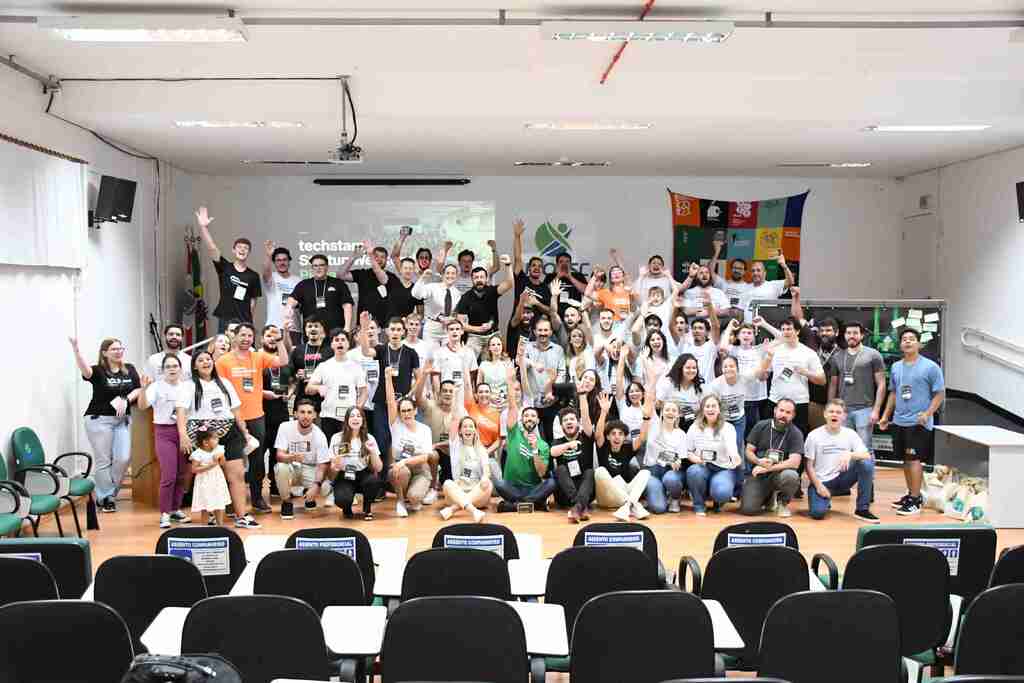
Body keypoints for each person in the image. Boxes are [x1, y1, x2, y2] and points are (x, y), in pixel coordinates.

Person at [215, 323, 289, 515]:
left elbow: (283, 360)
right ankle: (231, 501)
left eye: (250, 335)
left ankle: (257, 498)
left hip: (256, 416)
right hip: (232, 418)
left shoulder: (258, 357)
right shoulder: (223, 361)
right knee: (232, 460)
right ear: (234, 337)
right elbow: (220, 389)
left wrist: (279, 340)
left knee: (257, 461)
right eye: (243, 335)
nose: (246, 338)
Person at [180, 351, 260, 528]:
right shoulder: (188, 386)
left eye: (208, 359)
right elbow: (181, 412)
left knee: (237, 474)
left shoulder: (225, 383)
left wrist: (245, 432)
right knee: (207, 475)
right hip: (202, 435)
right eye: (200, 360)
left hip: (229, 432)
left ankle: (241, 516)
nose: (205, 362)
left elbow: (236, 410)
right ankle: (208, 515)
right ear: (195, 365)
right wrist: (183, 435)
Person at [70, 336, 144, 513]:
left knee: (123, 457)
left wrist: (125, 400)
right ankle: (106, 498)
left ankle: (109, 493)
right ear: (105, 353)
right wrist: (76, 350)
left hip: (122, 420)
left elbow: (138, 388)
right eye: (114, 349)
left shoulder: (129, 369)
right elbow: (86, 371)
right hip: (99, 419)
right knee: (104, 460)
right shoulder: (98, 371)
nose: (119, 352)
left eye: (120, 348)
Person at [879, 328, 946, 516]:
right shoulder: (896, 367)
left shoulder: (931, 367)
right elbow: (893, 392)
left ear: (919, 344)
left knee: (914, 459)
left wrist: (928, 413)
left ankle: (916, 500)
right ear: (900, 344)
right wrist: (886, 416)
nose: (908, 342)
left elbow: (940, 393)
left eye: (912, 339)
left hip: (919, 422)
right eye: (904, 339)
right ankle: (911, 494)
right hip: (899, 421)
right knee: (906, 460)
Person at [137, 353, 191, 528]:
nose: (172, 369)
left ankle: (175, 509)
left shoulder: (188, 387)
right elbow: (142, 406)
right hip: (164, 432)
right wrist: (144, 389)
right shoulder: (156, 387)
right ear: (162, 370)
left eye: (175, 366)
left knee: (183, 474)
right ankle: (165, 513)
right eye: (168, 367)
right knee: (169, 474)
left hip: (185, 432)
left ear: (181, 369)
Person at [494, 362, 557, 511]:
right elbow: (512, 407)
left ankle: (515, 506)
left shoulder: (543, 445)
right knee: (498, 484)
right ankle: (534, 504)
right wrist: (510, 383)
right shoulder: (514, 432)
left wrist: (535, 449)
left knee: (552, 483)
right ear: (521, 420)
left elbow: (541, 472)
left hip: (533, 489)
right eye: (526, 415)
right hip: (512, 487)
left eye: (533, 416)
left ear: (538, 420)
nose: (529, 418)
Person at [805, 398, 878, 523]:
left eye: (838, 412)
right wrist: (818, 486)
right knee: (817, 513)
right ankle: (823, 500)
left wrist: (850, 454)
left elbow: (867, 455)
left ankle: (862, 509)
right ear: (825, 414)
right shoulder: (813, 436)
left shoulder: (850, 434)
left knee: (866, 463)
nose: (834, 415)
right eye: (831, 411)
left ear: (844, 416)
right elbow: (808, 466)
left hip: (843, 479)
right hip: (822, 482)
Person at [195, 206, 262, 330]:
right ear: (233, 250)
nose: (242, 249)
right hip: (225, 319)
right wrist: (203, 227)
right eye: (239, 247)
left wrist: (249, 323)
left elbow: (253, 302)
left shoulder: (253, 276)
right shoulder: (225, 267)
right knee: (224, 348)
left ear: (249, 252)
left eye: (246, 248)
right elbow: (212, 247)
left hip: (244, 321)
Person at [759, 317, 825, 440]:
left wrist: (806, 372)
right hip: (775, 400)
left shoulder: (808, 353)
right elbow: (762, 377)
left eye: (789, 329)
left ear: (797, 331)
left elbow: (822, 380)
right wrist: (767, 358)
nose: (786, 332)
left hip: (799, 402)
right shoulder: (774, 351)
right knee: (770, 438)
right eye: (783, 329)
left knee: (798, 439)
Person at [739, 398, 804, 517]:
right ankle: (768, 497)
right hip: (758, 474)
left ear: (793, 415)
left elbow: (795, 462)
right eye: (781, 410)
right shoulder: (761, 425)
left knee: (791, 476)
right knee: (748, 510)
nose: (783, 415)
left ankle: (782, 503)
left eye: (788, 412)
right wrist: (758, 461)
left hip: (779, 474)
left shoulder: (796, 433)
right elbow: (748, 451)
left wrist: (767, 468)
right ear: (775, 410)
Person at [828, 321, 886, 454]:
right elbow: (833, 384)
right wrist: (831, 407)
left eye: (855, 333)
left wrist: (876, 410)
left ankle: (866, 475)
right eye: (848, 333)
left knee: (864, 449)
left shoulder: (873, 355)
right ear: (844, 335)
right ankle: (849, 475)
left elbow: (881, 384)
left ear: (862, 335)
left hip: (865, 409)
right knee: (844, 448)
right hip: (843, 410)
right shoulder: (837, 357)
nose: (851, 336)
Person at [384, 366, 434, 517]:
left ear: (415, 411)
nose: (406, 414)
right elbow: (391, 402)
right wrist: (387, 378)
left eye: (409, 410)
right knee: (401, 471)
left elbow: (425, 457)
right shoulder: (396, 426)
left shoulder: (425, 429)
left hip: (420, 469)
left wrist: (405, 462)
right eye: (403, 411)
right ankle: (400, 502)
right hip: (400, 469)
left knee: (415, 497)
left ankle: (413, 498)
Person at [373, 317, 422, 472]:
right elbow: (366, 350)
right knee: (382, 440)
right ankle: (382, 479)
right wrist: (366, 325)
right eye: (392, 329)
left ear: (403, 331)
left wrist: (409, 395)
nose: (395, 332)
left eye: (398, 329)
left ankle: (396, 476)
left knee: (399, 440)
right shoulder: (381, 350)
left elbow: (419, 377)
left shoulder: (411, 352)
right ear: (387, 331)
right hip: (382, 402)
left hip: (402, 404)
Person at [594, 391, 652, 520]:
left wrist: (646, 418)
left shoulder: (627, 447)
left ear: (625, 437)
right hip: (606, 497)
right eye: (613, 433)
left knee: (645, 472)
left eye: (620, 434)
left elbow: (642, 438)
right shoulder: (603, 446)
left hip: (623, 493)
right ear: (608, 436)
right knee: (599, 471)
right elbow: (598, 434)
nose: (617, 436)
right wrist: (603, 412)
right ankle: (633, 504)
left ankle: (628, 505)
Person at [305, 328, 368, 446]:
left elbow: (364, 392)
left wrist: (357, 410)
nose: (340, 342)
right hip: (329, 416)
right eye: (337, 340)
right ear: (332, 345)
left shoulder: (356, 367)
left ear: (348, 344)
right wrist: (318, 388)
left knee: (346, 450)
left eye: (343, 340)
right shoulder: (324, 366)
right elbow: (308, 388)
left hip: (348, 418)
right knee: (329, 450)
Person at [719, 317, 780, 438]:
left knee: (754, 433)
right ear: (738, 336)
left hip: (757, 398)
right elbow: (722, 347)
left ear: (753, 336)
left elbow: (781, 338)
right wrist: (730, 327)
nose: (746, 335)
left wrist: (764, 324)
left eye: (749, 333)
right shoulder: (734, 350)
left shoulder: (760, 349)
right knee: (739, 432)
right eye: (743, 332)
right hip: (738, 397)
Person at [684, 394, 742, 516]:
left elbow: (732, 448)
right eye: (707, 406)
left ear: (719, 409)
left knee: (722, 493)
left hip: (723, 468)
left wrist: (735, 457)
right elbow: (688, 451)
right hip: (703, 466)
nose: (710, 409)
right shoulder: (694, 427)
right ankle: (699, 505)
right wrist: (695, 459)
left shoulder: (728, 428)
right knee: (694, 471)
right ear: (703, 409)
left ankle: (718, 501)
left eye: (713, 406)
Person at [273, 398, 331, 520]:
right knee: (280, 468)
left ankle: (308, 495)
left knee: (325, 488)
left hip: (310, 468)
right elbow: (279, 455)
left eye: (309, 412)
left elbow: (323, 465)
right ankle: (287, 502)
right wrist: (292, 457)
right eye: (302, 412)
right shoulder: (284, 427)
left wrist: (316, 486)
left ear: (315, 415)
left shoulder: (320, 435)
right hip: (291, 466)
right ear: (295, 414)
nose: (306, 416)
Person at [641, 367, 688, 514]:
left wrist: (675, 461)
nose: (670, 412)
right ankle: (656, 495)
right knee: (659, 508)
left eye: (673, 410)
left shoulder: (681, 434)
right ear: (662, 412)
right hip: (653, 471)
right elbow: (649, 400)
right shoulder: (654, 425)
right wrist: (653, 380)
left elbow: (679, 460)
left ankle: (674, 497)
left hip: (670, 472)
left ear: (677, 415)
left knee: (671, 479)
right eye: (667, 409)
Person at [711, 240, 794, 322]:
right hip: (748, 329)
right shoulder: (745, 288)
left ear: (765, 273)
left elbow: (790, 282)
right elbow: (741, 311)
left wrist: (784, 265)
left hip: (767, 327)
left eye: (758, 270)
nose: (755, 273)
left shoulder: (773, 285)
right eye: (753, 271)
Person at [329, 406, 384, 520]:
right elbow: (333, 468)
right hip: (345, 474)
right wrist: (338, 458)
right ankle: (347, 508)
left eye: (359, 416)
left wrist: (372, 452)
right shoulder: (337, 438)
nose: (355, 419)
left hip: (363, 473)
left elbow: (379, 468)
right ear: (347, 420)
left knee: (374, 482)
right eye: (352, 416)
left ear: (363, 420)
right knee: (342, 499)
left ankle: (367, 507)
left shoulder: (369, 438)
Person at [439, 415, 493, 522]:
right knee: (447, 483)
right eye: (464, 426)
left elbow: (486, 469)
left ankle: (453, 509)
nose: (468, 429)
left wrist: (485, 477)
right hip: (457, 492)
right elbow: (455, 417)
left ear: (475, 430)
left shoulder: (481, 449)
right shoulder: (455, 447)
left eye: (471, 426)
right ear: (459, 431)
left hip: (477, 494)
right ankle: (474, 511)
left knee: (489, 484)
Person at [521, 317, 566, 441]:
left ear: (551, 332)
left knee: (552, 438)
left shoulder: (558, 350)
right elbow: (520, 360)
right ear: (534, 332)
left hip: (551, 402)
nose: (543, 333)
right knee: (530, 439)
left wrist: (553, 391)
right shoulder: (527, 347)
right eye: (540, 330)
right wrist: (533, 364)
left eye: (546, 330)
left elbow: (562, 373)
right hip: (531, 403)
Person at [456, 261, 514, 357]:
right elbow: (461, 325)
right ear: (472, 280)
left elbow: (509, 284)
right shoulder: (465, 298)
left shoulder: (492, 291)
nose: (479, 280)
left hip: (493, 334)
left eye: (481, 277)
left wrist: (508, 265)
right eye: (476, 277)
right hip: (474, 336)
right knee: (466, 359)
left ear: (486, 279)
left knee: (499, 361)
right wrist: (479, 329)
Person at [261, 326, 293, 500]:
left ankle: (275, 487)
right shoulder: (258, 358)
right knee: (259, 453)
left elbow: (293, 379)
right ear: (262, 339)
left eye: (275, 335)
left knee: (277, 451)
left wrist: (291, 392)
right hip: (261, 413)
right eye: (268, 335)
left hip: (281, 413)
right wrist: (265, 394)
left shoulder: (284, 359)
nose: (272, 338)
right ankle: (257, 489)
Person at [286, 253, 353, 336]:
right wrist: (289, 308)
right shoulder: (303, 284)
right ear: (312, 268)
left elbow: (347, 305)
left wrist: (347, 327)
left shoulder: (338, 283)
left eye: (321, 265)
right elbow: (292, 299)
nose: (318, 268)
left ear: (327, 267)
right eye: (315, 266)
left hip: (335, 333)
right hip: (312, 334)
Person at [338, 240, 401, 328]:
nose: (379, 259)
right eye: (376, 256)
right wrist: (353, 257)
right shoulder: (363, 273)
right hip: (364, 324)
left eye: (382, 257)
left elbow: (380, 275)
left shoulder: (392, 277)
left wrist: (371, 254)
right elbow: (341, 275)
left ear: (387, 260)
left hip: (384, 325)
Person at [551, 405, 596, 523]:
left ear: (578, 423)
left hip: (585, 490)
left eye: (572, 419)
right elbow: (552, 452)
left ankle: (577, 507)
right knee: (560, 469)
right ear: (561, 426)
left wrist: (582, 396)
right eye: (565, 420)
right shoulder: (558, 441)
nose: (569, 422)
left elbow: (586, 418)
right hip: (565, 494)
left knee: (590, 472)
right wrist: (568, 445)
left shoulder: (586, 437)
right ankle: (580, 506)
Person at [461, 369, 504, 479]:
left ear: (490, 394)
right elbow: (467, 386)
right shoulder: (470, 406)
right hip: (469, 452)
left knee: (498, 487)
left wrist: (485, 452)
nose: (483, 394)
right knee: (468, 482)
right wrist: (466, 369)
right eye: (480, 392)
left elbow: (499, 440)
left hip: (487, 453)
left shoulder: (497, 414)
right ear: (476, 395)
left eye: (486, 391)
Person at [511, 218, 552, 318]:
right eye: (533, 265)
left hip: (536, 329)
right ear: (528, 268)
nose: (536, 268)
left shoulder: (545, 288)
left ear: (542, 270)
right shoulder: (521, 279)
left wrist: (537, 303)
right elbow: (518, 258)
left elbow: (550, 311)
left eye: (539, 266)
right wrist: (517, 236)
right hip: (518, 325)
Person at [432, 319, 478, 410]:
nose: (454, 332)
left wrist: (470, 394)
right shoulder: (439, 352)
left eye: (457, 329)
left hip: (463, 394)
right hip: (446, 394)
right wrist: (438, 396)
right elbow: (435, 377)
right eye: (451, 329)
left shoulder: (469, 352)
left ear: (462, 331)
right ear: (447, 332)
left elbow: (472, 375)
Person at [290, 317, 332, 414]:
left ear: (322, 330)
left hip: (323, 399)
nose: (313, 329)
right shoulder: (298, 350)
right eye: (309, 326)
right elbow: (291, 375)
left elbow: (335, 375)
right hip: (302, 398)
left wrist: (314, 377)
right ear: (305, 330)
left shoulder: (330, 351)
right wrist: (296, 376)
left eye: (316, 326)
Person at [189, 430, 231, 526]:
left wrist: (221, 457)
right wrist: (210, 465)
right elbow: (194, 469)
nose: (218, 440)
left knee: (218, 502)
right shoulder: (198, 454)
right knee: (205, 503)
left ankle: (220, 525)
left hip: (217, 479)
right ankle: (204, 526)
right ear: (205, 442)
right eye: (215, 438)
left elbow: (223, 464)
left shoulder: (219, 450)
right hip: (204, 481)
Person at [413, 263, 462, 344]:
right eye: (447, 273)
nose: (450, 276)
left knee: (446, 355)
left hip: (447, 330)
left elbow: (455, 312)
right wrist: (422, 278)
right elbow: (416, 294)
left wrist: (451, 318)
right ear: (442, 275)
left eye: (453, 273)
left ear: (456, 276)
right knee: (430, 355)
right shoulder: (432, 287)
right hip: (432, 328)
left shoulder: (457, 293)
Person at [262, 242, 302, 340]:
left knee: (293, 355)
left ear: (289, 261)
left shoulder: (299, 280)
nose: (282, 263)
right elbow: (266, 272)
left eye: (285, 260)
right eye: (278, 260)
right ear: (274, 263)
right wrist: (268, 255)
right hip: (274, 327)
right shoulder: (272, 277)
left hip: (294, 328)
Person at [656, 353, 704, 431]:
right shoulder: (668, 382)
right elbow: (658, 405)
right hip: (669, 422)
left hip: (690, 423)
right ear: (680, 368)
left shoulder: (699, 386)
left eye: (694, 368)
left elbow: (700, 411)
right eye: (688, 368)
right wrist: (673, 412)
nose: (691, 370)